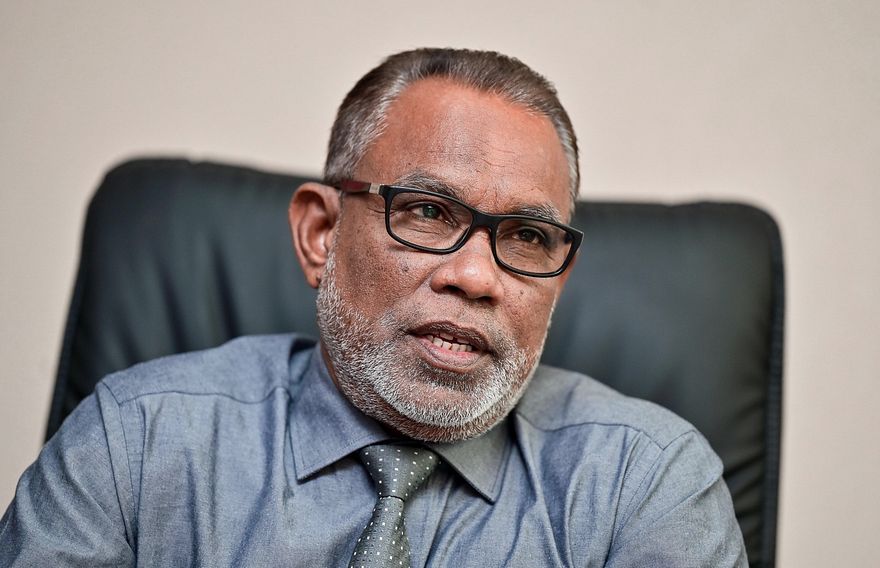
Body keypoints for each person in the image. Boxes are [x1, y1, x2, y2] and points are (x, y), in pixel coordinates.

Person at [0, 48, 747, 566]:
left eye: (526, 236)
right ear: (321, 234)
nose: (476, 277)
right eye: (426, 212)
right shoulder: (135, 445)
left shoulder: (645, 486)